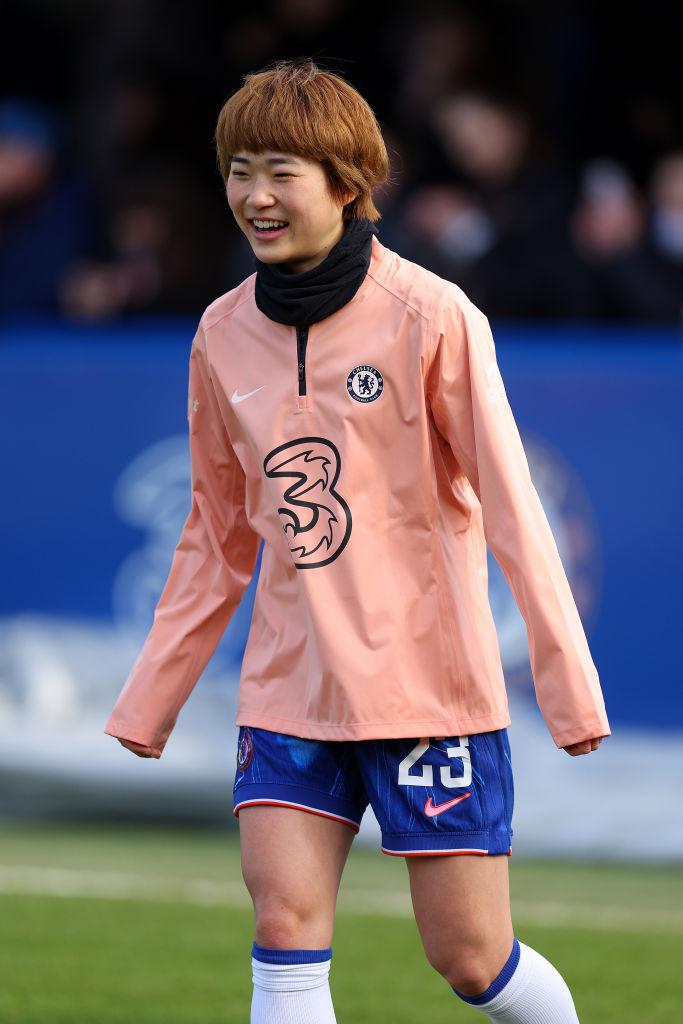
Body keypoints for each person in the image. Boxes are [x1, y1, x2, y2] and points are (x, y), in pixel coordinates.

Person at [104, 59, 610, 1023]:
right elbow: (214, 534)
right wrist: (151, 698)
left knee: (470, 959)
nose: (255, 196)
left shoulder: (433, 315)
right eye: (239, 170)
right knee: (284, 927)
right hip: (289, 690)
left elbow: (513, 508)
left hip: (429, 696)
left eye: (281, 172)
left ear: (346, 183)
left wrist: (567, 686)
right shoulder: (218, 333)